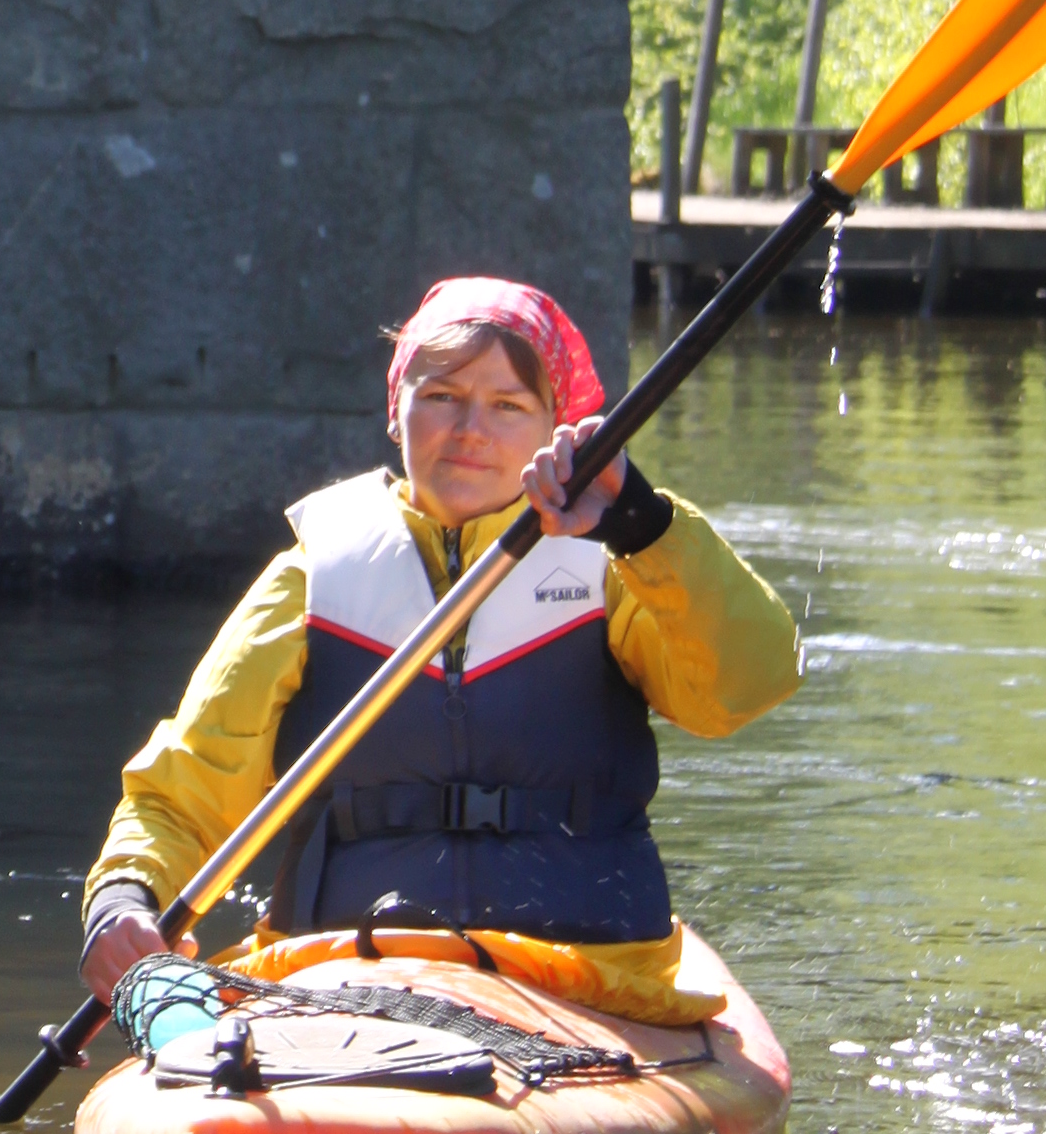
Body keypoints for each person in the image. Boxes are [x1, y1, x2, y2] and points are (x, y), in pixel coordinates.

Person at [80, 275, 799, 1025]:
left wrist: (645, 524)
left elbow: (747, 687)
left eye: (509, 405)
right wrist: (125, 896)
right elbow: (187, 789)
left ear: (559, 425)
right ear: (398, 412)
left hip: (588, 979)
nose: (471, 430)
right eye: (442, 397)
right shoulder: (312, 577)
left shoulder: (620, 565)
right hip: (337, 975)